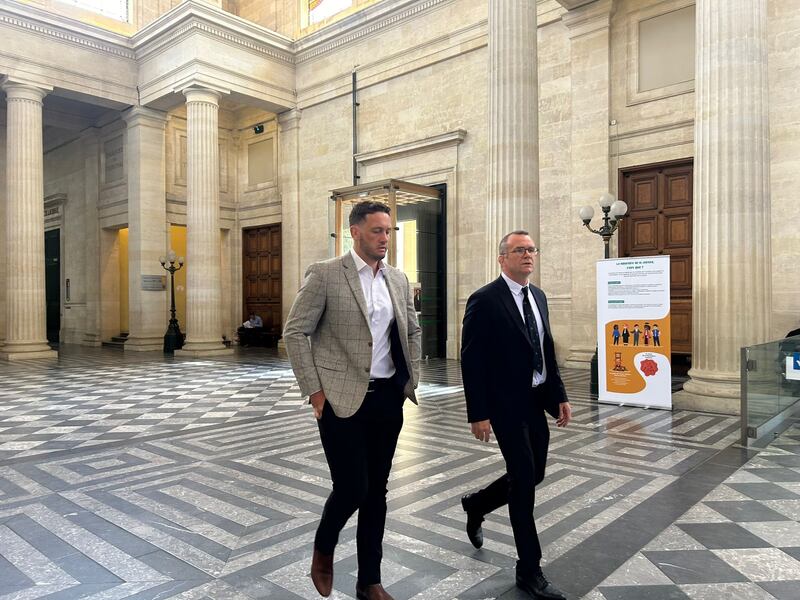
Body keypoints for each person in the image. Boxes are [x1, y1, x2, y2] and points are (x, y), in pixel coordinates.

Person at [283, 200, 421, 600]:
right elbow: (295, 332)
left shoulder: (397, 278)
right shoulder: (327, 274)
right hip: (341, 400)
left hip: (387, 398)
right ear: (355, 231)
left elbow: (412, 329)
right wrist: (315, 389)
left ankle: (370, 581)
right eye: (377, 230)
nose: (385, 238)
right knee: (352, 487)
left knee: (376, 491)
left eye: (389, 231)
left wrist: (409, 378)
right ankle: (324, 547)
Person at [459, 230, 571, 600]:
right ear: (502, 258)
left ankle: (476, 504)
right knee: (523, 481)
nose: (528, 255)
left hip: (535, 400)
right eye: (519, 250)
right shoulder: (484, 300)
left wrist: (560, 397)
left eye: (531, 250)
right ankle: (529, 569)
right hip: (504, 405)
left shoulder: (537, 296)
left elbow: (546, 350)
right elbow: (472, 360)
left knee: (534, 473)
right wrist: (479, 413)